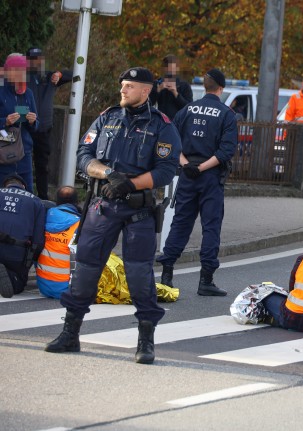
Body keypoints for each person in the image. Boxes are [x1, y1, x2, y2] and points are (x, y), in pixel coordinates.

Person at [44, 67, 181, 365]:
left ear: (145, 91)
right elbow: (83, 154)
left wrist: (130, 183)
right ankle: (70, 333)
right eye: (122, 85)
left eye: (129, 86)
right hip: (101, 206)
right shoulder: (107, 117)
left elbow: (166, 170)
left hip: (138, 210)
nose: (123, 90)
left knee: (139, 275)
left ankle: (146, 341)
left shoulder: (162, 126)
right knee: (86, 270)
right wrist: (108, 173)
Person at [156, 68, 237, 297]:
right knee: (211, 226)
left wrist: (186, 165)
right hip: (210, 176)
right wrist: (201, 168)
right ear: (221, 88)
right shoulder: (226, 114)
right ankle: (206, 280)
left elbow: (172, 142)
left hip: (186, 175)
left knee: (180, 223)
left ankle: (167, 275)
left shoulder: (187, 110)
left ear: (205, 86)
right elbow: (226, 151)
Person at [26, 47, 72, 200]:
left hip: (44, 129)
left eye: (39, 59)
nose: (36, 62)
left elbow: (73, 74)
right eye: (33, 59)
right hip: (25, 128)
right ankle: (24, 195)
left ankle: (43, 198)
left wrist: (59, 74)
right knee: (21, 163)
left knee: (42, 166)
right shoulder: (21, 76)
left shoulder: (50, 76)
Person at [0, 174, 46, 298]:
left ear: (6, 185)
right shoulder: (36, 201)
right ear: (23, 186)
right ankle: (10, 275)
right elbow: (38, 239)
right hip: (16, 253)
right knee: (18, 285)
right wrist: (31, 260)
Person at [0, 54, 39, 193]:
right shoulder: (1, 91)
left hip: (24, 153)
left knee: (27, 194)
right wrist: (5, 121)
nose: (19, 74)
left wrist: (33, 121)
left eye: (22, 70)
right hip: (3, 152)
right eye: (15, 70)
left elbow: (36, 126)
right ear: (7, 71)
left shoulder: (27, 93)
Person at [36, 186, 81, 299]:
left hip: (43, 287)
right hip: (67, 289)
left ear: (57, 201)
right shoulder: (80, 224)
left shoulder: (43, 217)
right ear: (77, 202)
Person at [149, 54, 193, 120]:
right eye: (168, 71)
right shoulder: (157, 83)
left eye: (173, 70)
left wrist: (176, 93)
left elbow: (189, 108)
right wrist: (158, 90)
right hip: (161, 122)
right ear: (163, 69)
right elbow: (148, 104)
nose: (170, 74)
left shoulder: (184, 85)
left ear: (177, 69)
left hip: (178, 123)